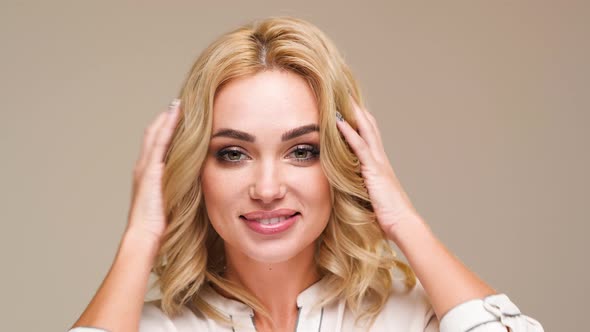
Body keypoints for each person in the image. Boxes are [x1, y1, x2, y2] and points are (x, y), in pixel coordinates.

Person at [69, 16, 544, 332]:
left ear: (345, 159)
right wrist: (141, 235)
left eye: (302, 150)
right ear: (197, 169)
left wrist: (404, 221)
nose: (268, 189)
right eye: (234, 153)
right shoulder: (150, 327)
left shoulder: (417, 317)